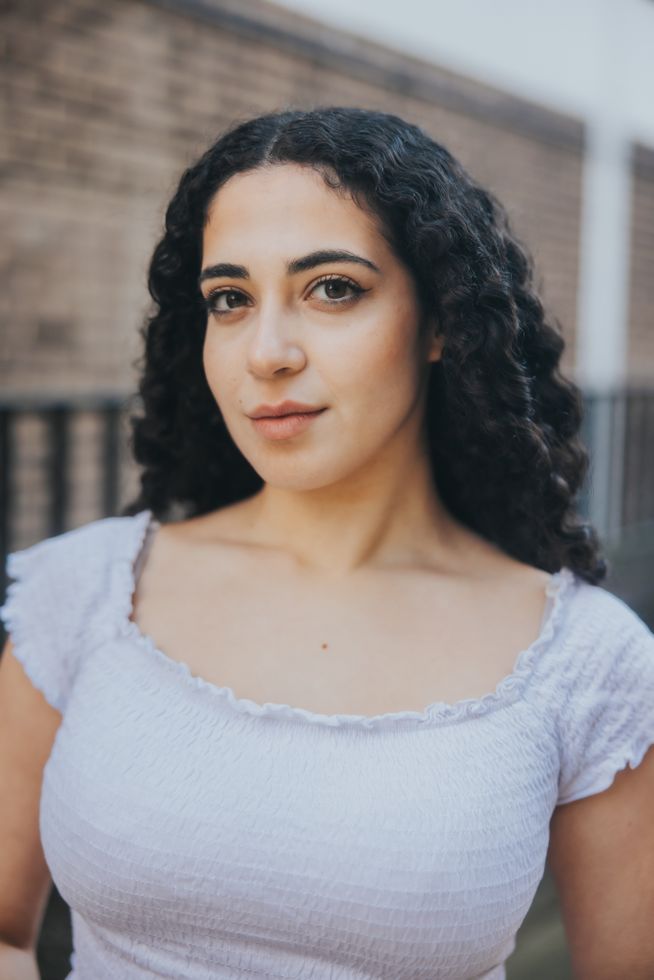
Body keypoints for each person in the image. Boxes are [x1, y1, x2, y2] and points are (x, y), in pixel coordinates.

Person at [1, 106, 653, 980]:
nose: (265, 352)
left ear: (440, 322)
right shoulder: (83, 590)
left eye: (332, 288)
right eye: (229, 300)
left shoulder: (588, 661)